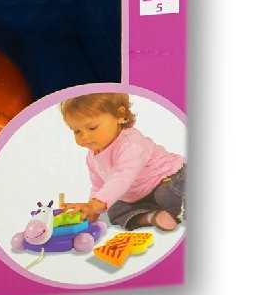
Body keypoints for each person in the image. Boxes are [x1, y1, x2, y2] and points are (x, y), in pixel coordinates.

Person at [60, 93, 185, 231]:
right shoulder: (92, 156)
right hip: (142, 195)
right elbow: (99, 185)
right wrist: (91, 209)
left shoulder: (131, 143)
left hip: (171, 178)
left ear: (120, 115)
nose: (84, 136)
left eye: (92, 128)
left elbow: (123, 176)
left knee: (165, 194)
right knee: (114, 209)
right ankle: (153, 216)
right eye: (77, 131)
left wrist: (95, 204)